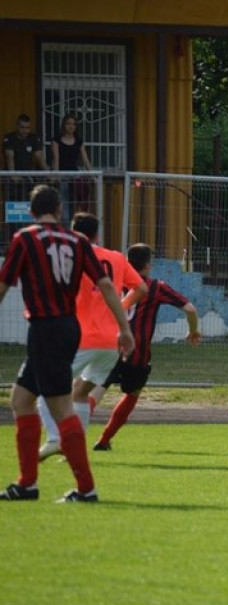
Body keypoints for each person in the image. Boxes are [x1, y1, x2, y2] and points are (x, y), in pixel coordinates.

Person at [0, 186, 133, 502]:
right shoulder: (77, 241)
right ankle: (27, 483)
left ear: (32, 212)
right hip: (67, 327)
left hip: (46, 328)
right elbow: (106, 286)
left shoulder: (26, 239)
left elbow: (3, 285)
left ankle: (86, 489)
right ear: (59, 211)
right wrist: (124, 327)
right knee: (20, 399)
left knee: (61, 407)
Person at [38, 213, 148, 460]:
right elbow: (141, 288)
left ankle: (55, 439)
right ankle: (73, 450)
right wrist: (120, 305)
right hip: (110, 342)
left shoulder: (71, 257)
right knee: (79, 393)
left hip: (79, 337)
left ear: (73, 232)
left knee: (43, 385)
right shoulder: (117, 258)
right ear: (97, 234)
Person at [90, 243, 201, 450]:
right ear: (148, 265)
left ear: (126, 261)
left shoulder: (111, 283)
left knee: (96, 391)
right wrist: (193, 331)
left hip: (108, 346)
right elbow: (190, 309)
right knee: (132, 394)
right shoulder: (155, 287)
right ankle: (104, 440)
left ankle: (69, 440)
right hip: (137, 353)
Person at [49, 113, 94, 221]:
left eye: (73, 124)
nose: (71, 126)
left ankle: (74, 228)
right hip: (62, 175)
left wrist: (92, 174)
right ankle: (65, 228)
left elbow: (85, 159)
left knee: (76, 203)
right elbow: (56, 158)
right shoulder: (56, 140)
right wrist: (56, 174)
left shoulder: (78, 141)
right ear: (64, 125)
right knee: (64, 204)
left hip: (75, 175)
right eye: (68, 123)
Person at [2, 114, 48, 200]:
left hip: (28, 178)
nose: (25, 131)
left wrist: (48, 173)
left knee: (29, 204)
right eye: (22, 127)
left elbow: (39, 157)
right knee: (11, 206)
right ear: (17, 126)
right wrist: (13, 175)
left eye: (27, 128)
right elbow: (9, 157)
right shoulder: (9, 138)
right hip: (11, 179)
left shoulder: (33, 138)